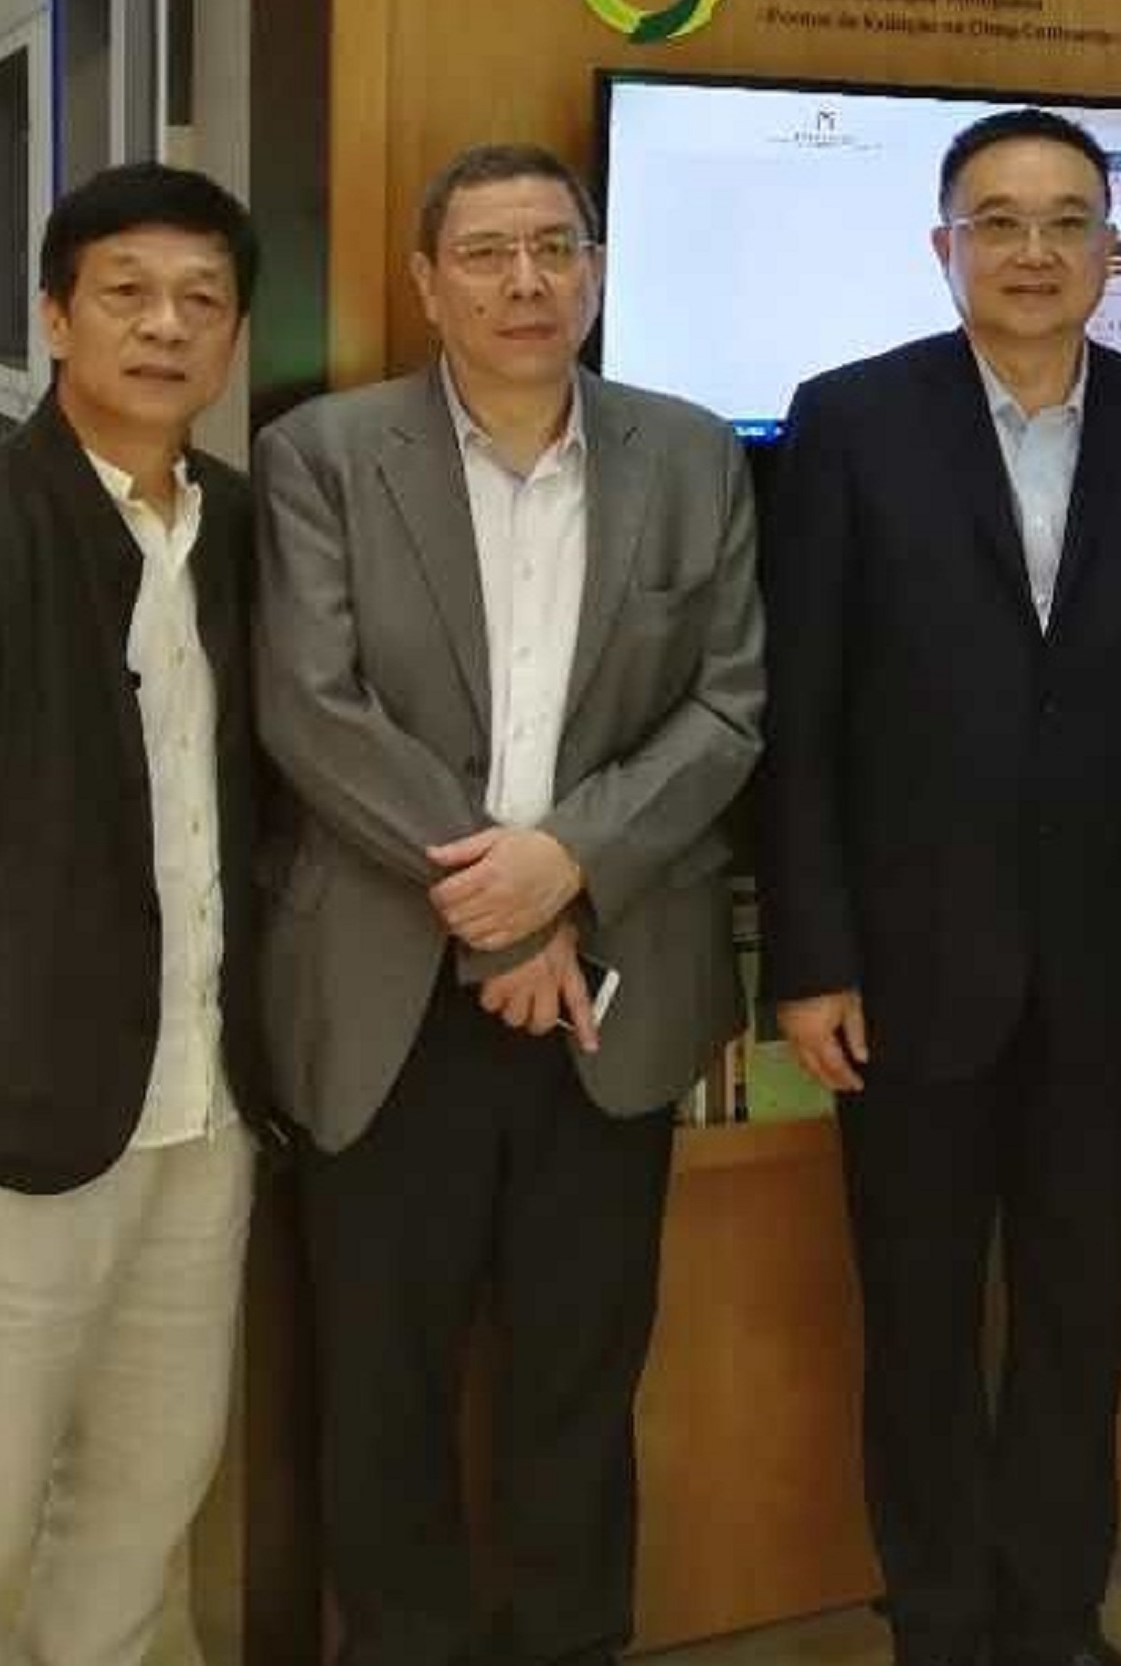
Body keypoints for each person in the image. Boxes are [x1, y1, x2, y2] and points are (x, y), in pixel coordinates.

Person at [256, 141, 764, 1666]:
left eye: (556, 247)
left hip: (609, 995)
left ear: (596, 269)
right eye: (485, 252)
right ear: (427, 282)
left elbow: (730, 705)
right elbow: (313, 710)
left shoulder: (692, 456)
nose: (525, 281)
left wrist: (571, 867)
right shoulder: (326, 455)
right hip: (388, 999)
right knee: (381, 1386)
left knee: (578, 1384)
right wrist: (509, 905)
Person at [760, 108, 1121, 1666]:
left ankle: (1053, 1615)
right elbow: (800, 715)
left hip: (1110, 972)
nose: (1033, 251)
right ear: (945, 245)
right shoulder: (850, 421)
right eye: (999, 220)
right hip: (906, 970)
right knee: (915, 1320)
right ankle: (940, 1620)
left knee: (1075, 1311)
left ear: (1112, 248)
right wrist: (812, 955)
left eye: (1065, 221)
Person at [0, 164, 272, 1665]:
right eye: (126, 293)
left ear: (234, 335)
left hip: (207, 1103)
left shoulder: (241, 528)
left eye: (202, 300)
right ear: (53, 316)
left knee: (149, 1488)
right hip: (23, 1122)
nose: (166, 327)